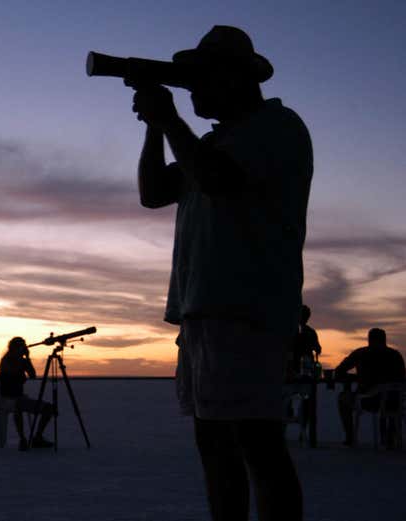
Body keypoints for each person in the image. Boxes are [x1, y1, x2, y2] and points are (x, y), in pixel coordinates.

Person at [133, 26, 312, 521]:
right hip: (206, 309)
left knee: (256, 443)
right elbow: (152, 192)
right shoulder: (212, 142)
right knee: (215, 443)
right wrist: (154, 125)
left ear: (236, 78)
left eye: (202, 81)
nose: (193, 93)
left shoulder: (275, 127)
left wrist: (169, 121)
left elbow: (217, 180)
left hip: (246, 305)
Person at [335, 328, 405, 448]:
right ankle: (390, 436)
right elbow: (402, 379)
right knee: (392, 397)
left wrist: (356, 377)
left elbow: (339, 371)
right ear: (384, 340)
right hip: (393, 402)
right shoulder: (395, 355)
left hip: (368, 401)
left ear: (369, 340)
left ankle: (350, 436)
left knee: (343, 398)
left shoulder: (361, 353)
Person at [0, 336, 54, 450]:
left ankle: (37, 437)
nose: (22, 349)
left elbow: (32, 375)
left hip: (20, 399)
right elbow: (13, 374)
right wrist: (22, 361)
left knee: (49, 409)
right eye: (20, 347)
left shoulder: (21, 361)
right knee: (18, 406)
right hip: (8, 399)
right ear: (13, 348)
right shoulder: (6, 360)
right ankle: (22, 439)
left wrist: (27, 358)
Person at [290, 304, 322, 378]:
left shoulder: (293, 331)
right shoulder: (311, 332)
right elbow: (318, 349)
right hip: (300, 367)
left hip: (301, 368)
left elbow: (318, 349)